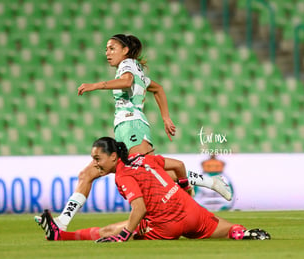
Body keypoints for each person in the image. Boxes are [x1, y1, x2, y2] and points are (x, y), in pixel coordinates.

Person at [44, 34, 232, 231]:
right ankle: (62, 222)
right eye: (106, 49)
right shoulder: (135, 68)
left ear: (125, 50)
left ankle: (211, 183)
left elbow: (127, 82)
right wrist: (165, 117)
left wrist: (96, 85)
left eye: (111, 48)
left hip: (133, 126)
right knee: (88, 174)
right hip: (125, 129)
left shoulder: (127, 65)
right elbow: (157, 88)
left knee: (150, 173)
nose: (107, 53)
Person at [37, 137, 270, 242]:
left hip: (167, 225)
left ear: (114, 156)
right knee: (229, 229)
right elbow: (179, 166)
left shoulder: (122, 175)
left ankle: (61, 235)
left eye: (98, 158)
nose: (95, 163)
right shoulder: (143, 159)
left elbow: (139, 208)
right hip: (191, 211)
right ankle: (242, 233)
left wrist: (125, 234)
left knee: (110, 229)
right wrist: (183, 189)